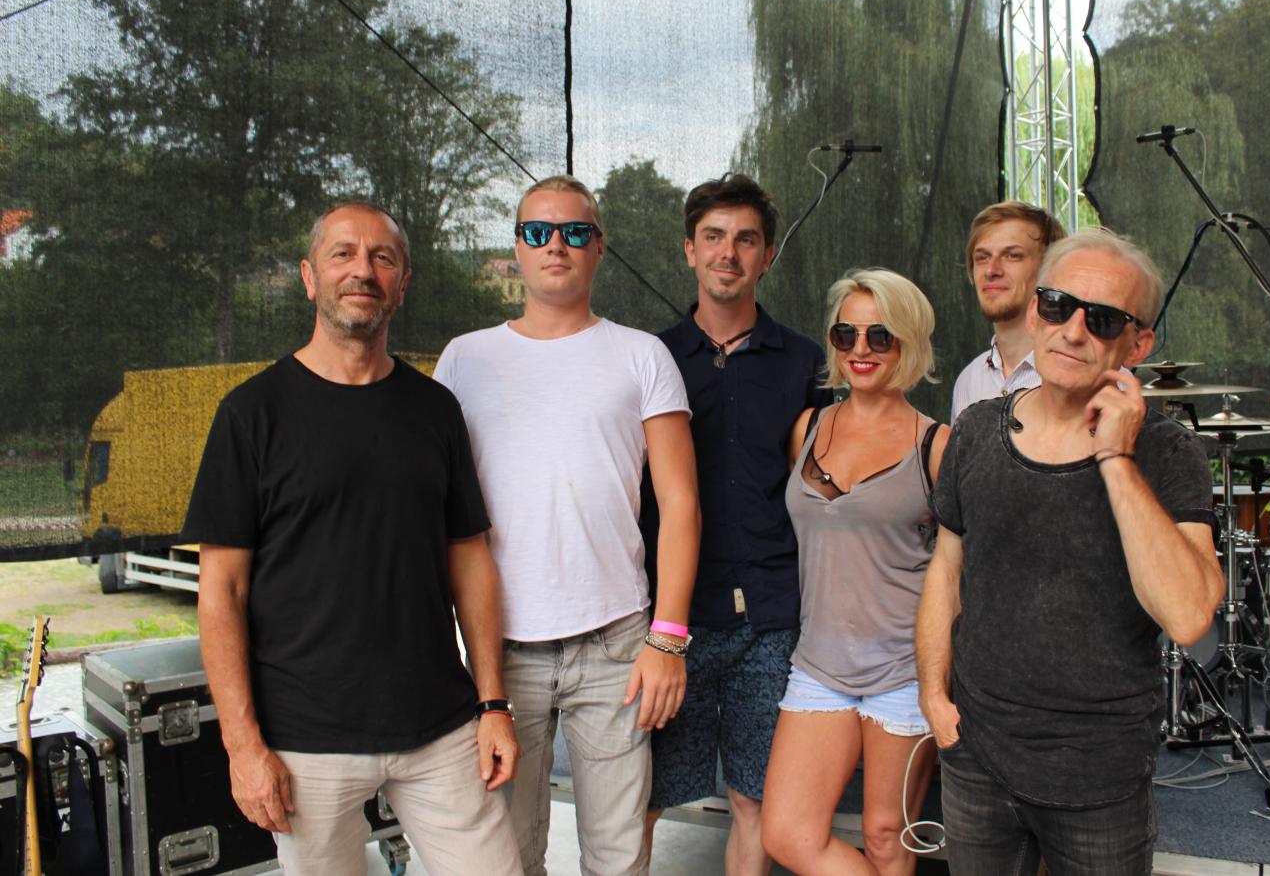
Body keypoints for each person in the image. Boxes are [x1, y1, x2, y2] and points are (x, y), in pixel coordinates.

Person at [185, 201, 522, 875]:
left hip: (440, 726)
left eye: (382, 257)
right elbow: (221, 592)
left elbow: (470, 562)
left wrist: (493, 703)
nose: (362, 270)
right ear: (310, 277)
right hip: (305, 741)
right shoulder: (251, 414)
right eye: (342, 253)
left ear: (403, 283)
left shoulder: (435, 410)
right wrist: (242, 747)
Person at [916, 228, 1224, 875]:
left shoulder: (1167, 452)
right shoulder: (976, 430)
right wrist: (934, 700)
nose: (1074, 330)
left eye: (1103, 318)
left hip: (1099, 774)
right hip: (976, 756)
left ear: (1138, 344)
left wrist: (1115, 455)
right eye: (1058, 305)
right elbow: (945, 571)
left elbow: (1188, 616)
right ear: (1035, 311)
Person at [434, 175, 700, 876]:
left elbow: (680, 504)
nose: (557, 244)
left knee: (618, 857)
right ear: (518, 247)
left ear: (599, 249)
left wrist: (667, 639)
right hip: (499, 650)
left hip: (617, 644)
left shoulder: (642, 354)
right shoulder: (464, 358)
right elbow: (438, 511)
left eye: (575, 231)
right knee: (507, 856)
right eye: (539, 231)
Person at [644, 174, 830, 875]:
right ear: (689, 250)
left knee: (755, 800)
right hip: (671, 623)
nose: (729, 253)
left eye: (746, 240)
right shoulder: (650, 358)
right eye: (714, 237)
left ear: (767, 255)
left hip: (772, 621)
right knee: (643, 798)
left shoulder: (806, 362)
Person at [761, 268, 948, 876]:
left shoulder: (937, 445)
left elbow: (957, 572)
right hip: (819, 665)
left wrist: (942, 681)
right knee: (787, 833)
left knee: (887, 837)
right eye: (846, 334)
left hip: (903, 669)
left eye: (880, 336)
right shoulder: (808, 427)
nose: (860, 349)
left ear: (909, 343)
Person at [949, 201, 1066, 421]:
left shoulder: (1087, 376)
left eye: (1012, 255)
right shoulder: (969, 382)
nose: (991, 270)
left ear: (1051, 268)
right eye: (982, 257)